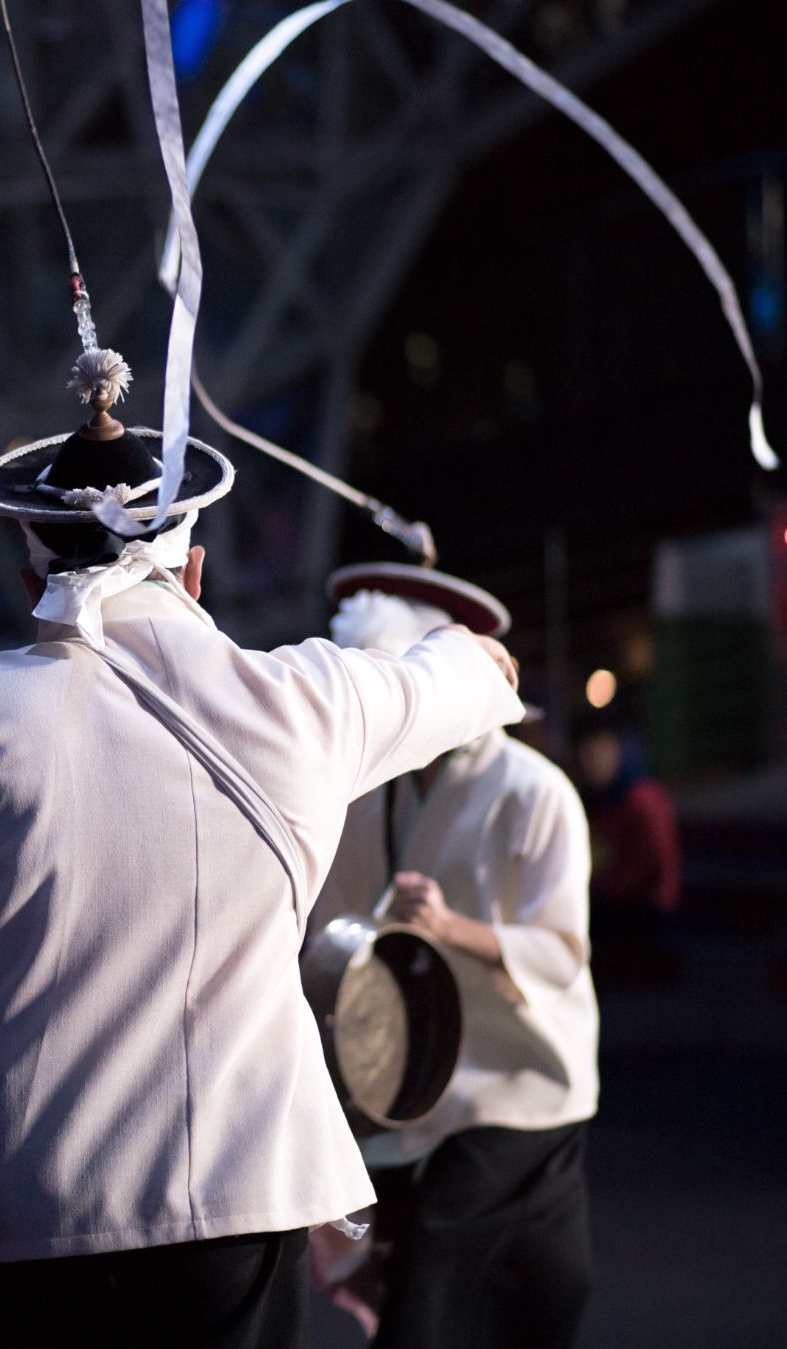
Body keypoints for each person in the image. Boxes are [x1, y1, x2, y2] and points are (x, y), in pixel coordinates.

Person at [0, 348, 523, 1349]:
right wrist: (471, 653)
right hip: (235, 1202)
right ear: (193, 572)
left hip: (10, 1210)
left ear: (31, 576)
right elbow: (472, 670)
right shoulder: (314, 701)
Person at [308, 564, 598, 1349]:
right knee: (468, 1292)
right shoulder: (366, 791)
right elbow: (329, 935)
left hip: (515, 1086)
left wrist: (449, 926)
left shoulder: (535, 789)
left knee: (451, 1296)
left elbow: (561, 952)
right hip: (404, 1090)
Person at [572, 712, 679, 984]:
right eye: (583, 754)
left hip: (641, 917)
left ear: (614, 747)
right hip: (606, 907)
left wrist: (596, 891)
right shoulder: (588, 799)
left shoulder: (643, 800)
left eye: (595, 751)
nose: (589, 761)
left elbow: (651, 867)